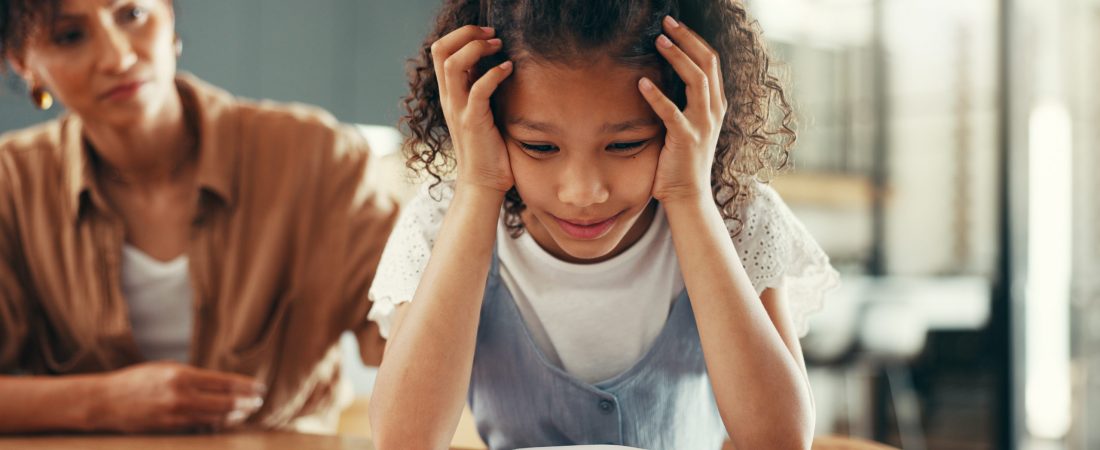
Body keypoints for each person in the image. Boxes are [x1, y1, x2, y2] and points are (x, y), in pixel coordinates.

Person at [366, 0, 840, 448]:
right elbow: (405, 441)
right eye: (540, 147)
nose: (583, 193)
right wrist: (478, 187)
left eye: (625, 144)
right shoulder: (442, 225)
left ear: (691, 116)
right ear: (484, 121)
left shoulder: (733, 216)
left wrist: (689, 195)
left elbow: (781, 440)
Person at [0, 0, 398, 434]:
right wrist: (104, 402)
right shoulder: (12, 185)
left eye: (132, 15)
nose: (118, 57)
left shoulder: (319, 157)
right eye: (69, 36)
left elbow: (410, 337)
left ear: (168, 14)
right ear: (23, 63)